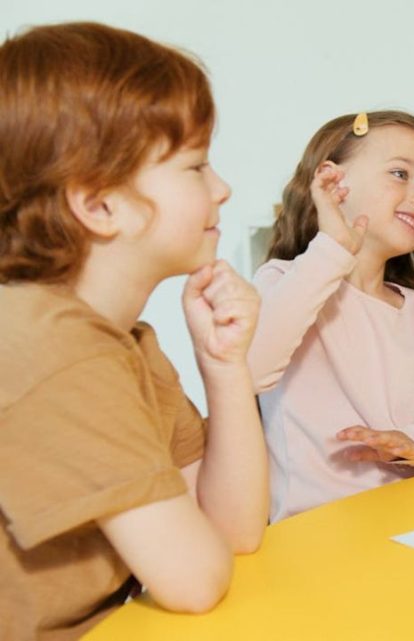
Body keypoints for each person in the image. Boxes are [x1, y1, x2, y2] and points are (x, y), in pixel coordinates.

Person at [0, 22, 267, 640]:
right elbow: (194, 578)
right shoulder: (55, 349)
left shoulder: (127, 342)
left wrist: (225, 366)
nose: (221, 189)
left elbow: (235, 531)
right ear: (98, 205)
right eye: (197, 167)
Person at [249, 111, 414, 522]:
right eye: (399, 174)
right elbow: (251, 368)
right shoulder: (283, 282)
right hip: (314, 536)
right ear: (332, 182)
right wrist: (332, 246)